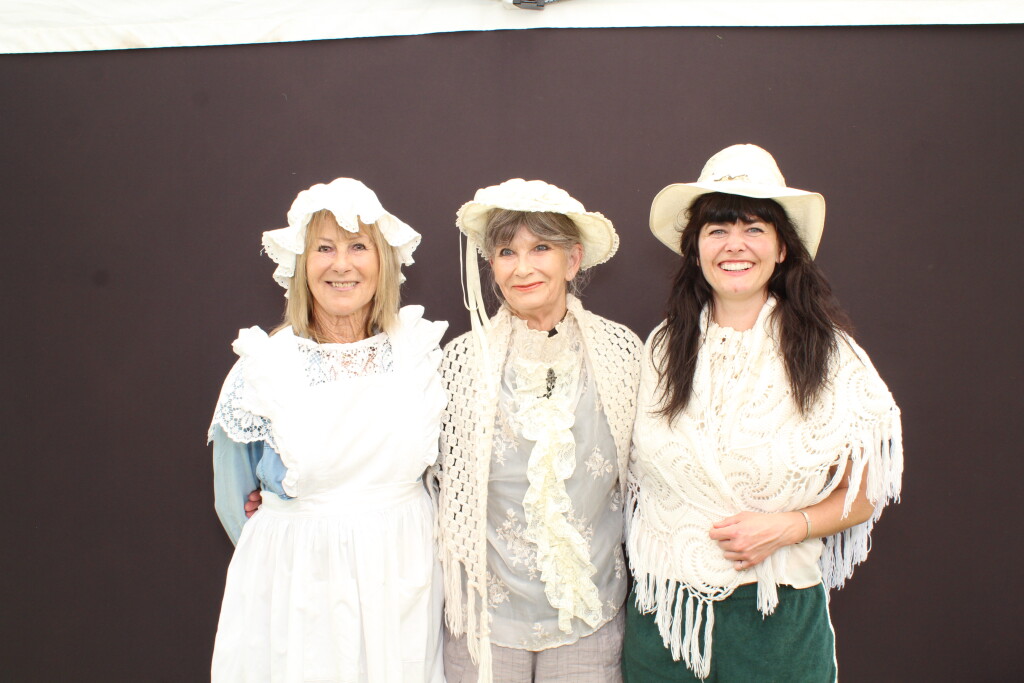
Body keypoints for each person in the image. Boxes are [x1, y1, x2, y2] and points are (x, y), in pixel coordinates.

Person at [623, 145, 903, 681]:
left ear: (781, 249)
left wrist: (789, 526)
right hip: (664, 621)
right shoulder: (660, 349)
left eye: (754, 228)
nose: (735, 244)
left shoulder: (829, 354)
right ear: (695, 249)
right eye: (717, 229)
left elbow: (867, 490)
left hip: (775, 623)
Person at [208, 178, 447, 683]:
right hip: (299, 598)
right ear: (300, 263)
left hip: (405, 585)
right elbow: (234, 501)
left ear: (383, 261)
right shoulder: (263, 369)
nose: (342, 264)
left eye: (358, 246)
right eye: (324, 248)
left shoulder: (419, 356)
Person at [436, 179, 642, 683]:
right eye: (507, 252)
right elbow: (421, 472)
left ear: (573, 260)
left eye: (541, 248)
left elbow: (655, 470)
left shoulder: (622, 354)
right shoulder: (461, 362)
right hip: (485, 625)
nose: (522, 268)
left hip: (591, 616)